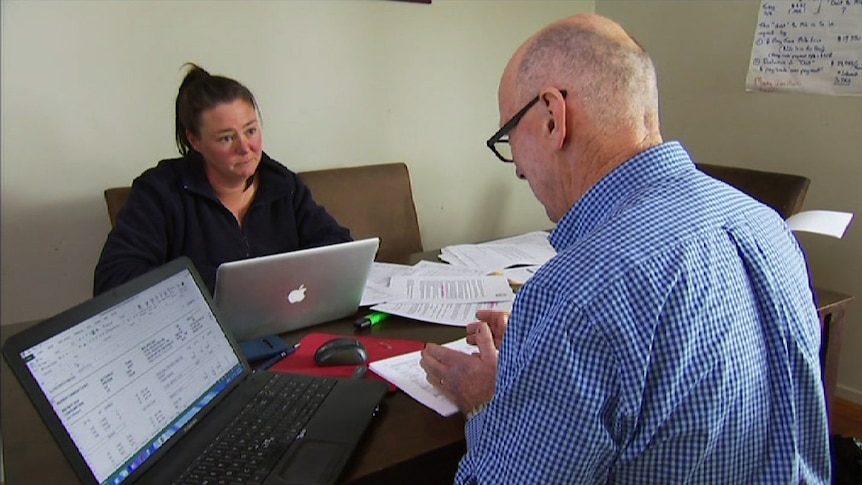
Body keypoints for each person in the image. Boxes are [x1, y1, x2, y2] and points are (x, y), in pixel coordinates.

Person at [419, 14, 830, 484]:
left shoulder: (579, 292)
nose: (516, 170)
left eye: (509, 137)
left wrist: (487, 401)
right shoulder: (767, 226)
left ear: (553, 117)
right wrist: (548, 352)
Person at [94, 64, 351, 295]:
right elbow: (114, 278)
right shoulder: (161, 191)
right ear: (195, 141)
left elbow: (339, 246)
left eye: (251, 130)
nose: (245, 147)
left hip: (283, 325)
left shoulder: (282, 183)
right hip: (200, 329)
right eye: (227, 138)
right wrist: (216, 286)